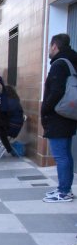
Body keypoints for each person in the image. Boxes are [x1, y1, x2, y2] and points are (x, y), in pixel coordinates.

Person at [41, 33, 77, 203]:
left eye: (49, 46)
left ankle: (64, 191)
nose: (49, 50)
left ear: (54, 46)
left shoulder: (59, 65)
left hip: (58, 116)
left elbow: (55, 92)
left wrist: (45, 109)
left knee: (61, 156)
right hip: (69, 114)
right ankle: (65, 188)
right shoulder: (72, 61)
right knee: (66, 155)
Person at [0, 85, 24, 156]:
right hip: (16, 127)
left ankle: (9, 149)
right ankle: (9, 149)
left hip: (12, 128)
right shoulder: (15, 100)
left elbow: (4, 115)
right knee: (0, 127)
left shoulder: (8, 102)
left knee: (0, 129)